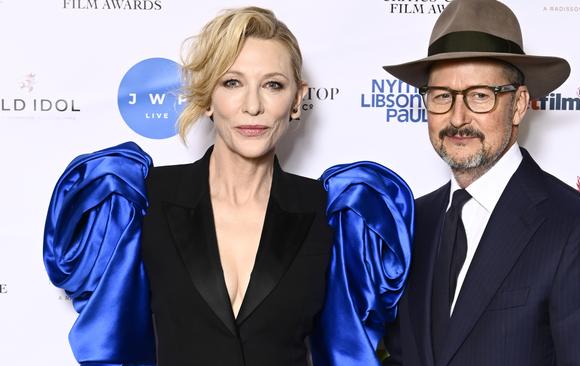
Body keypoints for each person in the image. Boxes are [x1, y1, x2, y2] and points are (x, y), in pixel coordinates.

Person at [43, 6, 414, 366]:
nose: (252, 106)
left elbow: (346, 351)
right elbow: (116, 343)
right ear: (207, 97)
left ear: (297, 99)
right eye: (232, 83)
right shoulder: (142, 201)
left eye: (272, 85)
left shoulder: (335, 214)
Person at [381, 0, 580, 365]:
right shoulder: (411, 222)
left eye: (480, 96)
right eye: (442, 96)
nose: (457, 117)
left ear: (517, 105)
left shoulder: (578, 232)